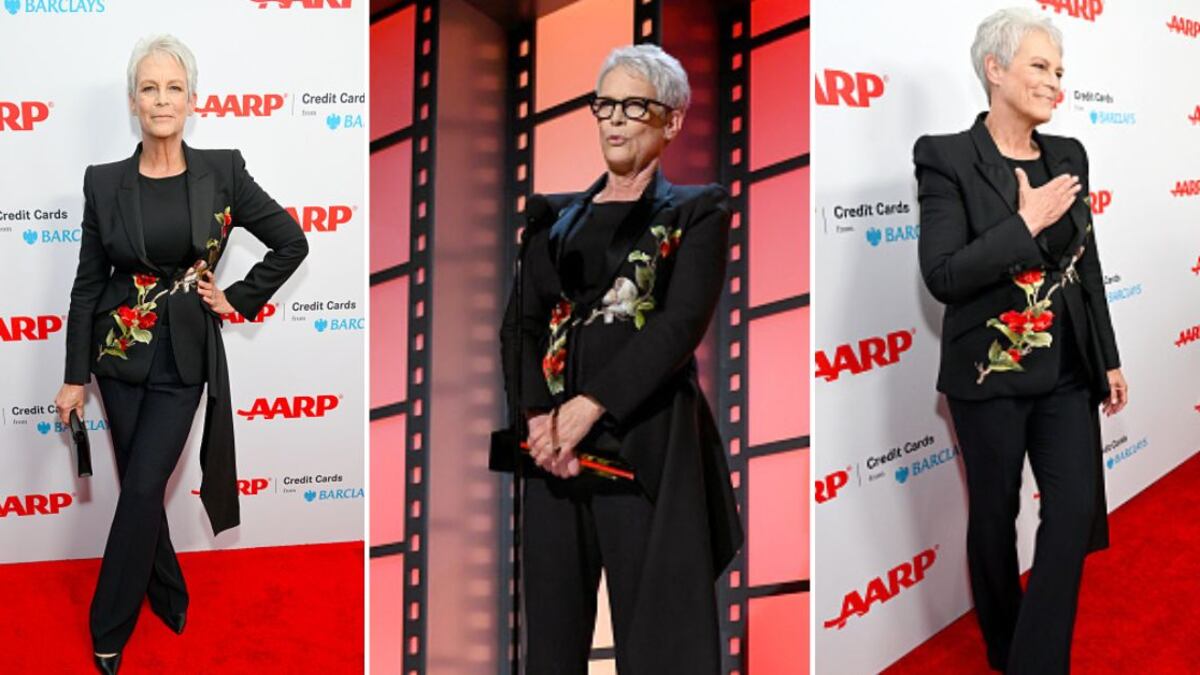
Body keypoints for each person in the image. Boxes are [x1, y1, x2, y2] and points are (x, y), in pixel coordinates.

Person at [54, 35, 308, 674]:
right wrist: (73, 377)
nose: (161, 99)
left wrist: (236, 298)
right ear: (133, 102)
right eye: (149, 88)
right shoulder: (104, 182)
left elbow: (290, 241)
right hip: (118, 356)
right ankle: (168, 590)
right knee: (141, 489)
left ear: (192, 99)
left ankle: (107, 627)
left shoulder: (222, 170)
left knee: (142, 487)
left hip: (184, 360)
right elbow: (88, 283)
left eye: (173, 88)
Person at [499, 44, 742, 674]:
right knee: (551, 641)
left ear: (672, 120)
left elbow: (679, 324)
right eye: (604, 104)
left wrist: (590, 406)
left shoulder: (697, 209)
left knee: (658, 640)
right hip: (553, 454)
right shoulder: (551, 219)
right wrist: (536, 421)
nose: (613, 119)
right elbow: (519, 328)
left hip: (643, 447)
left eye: (633, 106)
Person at [913, 8, 1128, 674]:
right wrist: (1026, 220)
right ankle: (1006, 648)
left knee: (1073, 512)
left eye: (1060, 71)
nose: (1055, 82)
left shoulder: (1070, 155)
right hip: (990, 375)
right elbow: (944, 274)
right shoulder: (945, 156)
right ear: (995, 69)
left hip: (1067, 371)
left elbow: (1086, 263)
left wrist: (1109, 356)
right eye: (1040, 66)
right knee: (994, 521)